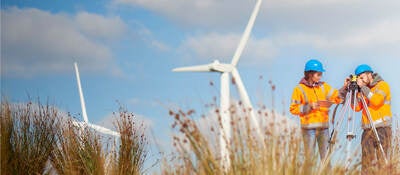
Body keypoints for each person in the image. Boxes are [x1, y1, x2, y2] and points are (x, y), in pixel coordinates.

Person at [290, 59, 345, 162]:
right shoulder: (299, 89)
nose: (320, 76)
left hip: (323, 129)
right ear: (310, 74)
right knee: (310, 161)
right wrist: (308, 107)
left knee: (326, 160)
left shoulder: (323, 86)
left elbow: (336, 96)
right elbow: (293, 108)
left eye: (321, 74)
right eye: (318, 74)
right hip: (308, 130)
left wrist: (345, 87)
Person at [351, 64, 392, 174]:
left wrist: (363, 88)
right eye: (358, 78)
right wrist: (352, 92)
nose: (361, 80)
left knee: (382, 161)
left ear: (370, 74)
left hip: (382, 129)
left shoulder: (382, 85)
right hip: (367, 131)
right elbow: (356, 107)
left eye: (362, 77)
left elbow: (377, 101)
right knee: (366, 162)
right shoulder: (364, 90)